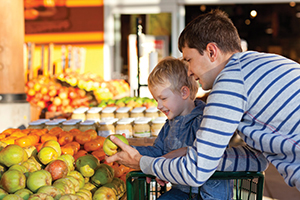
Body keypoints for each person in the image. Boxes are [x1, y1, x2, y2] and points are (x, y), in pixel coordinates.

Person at [106, 9, 300, 192]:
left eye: (189, 60)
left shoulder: (231, 80)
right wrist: (190, 153)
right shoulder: (260, 64)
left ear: (211, 51)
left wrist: (141, 163)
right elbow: (258, 159)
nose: (189, 71)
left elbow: (195, 172)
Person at [133, 57, 232, 199]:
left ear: (184, 92)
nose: (159, 106)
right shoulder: (169, 124)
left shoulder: (203, 121)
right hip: (183, 191)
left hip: (208, 194)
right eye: (156, 100)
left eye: (163, 98)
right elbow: (158, 151)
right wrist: (132, 151)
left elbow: (200, 154)